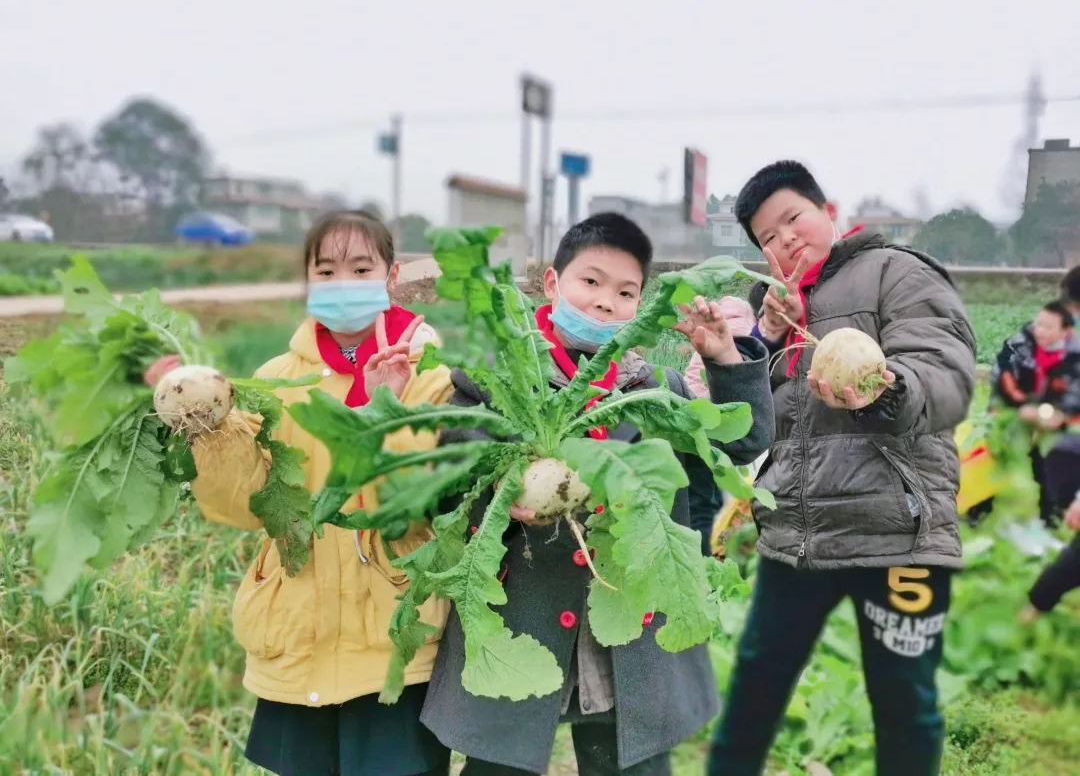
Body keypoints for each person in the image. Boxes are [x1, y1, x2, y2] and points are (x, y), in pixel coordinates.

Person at [419, 212, 775, 775]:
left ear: (640, 306)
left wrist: (724, 359)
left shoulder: (657, 391)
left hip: (628, 627)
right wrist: (506, 487)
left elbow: (745, 440)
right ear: (553, 284)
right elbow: (446, 483)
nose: (606, 302)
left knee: (628, 760)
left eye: (626, 292)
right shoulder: (492, 385)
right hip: (523, 615)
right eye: (591, 282)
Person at [144, 211, 454, 776]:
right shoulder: (277, 377)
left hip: (393, 636)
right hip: (297, 632)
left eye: (360, 269)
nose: (342, 284)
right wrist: (208, 423)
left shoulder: (432, 378)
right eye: (326, 271)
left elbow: (411, 505)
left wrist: (382, 411)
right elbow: (246, 506)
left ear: (391, 277)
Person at [707, 160, 977, 776]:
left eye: (793, 219)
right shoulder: (771, 310)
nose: (785, 240)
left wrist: (884, 390)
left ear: (827, 211)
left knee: (904, 703)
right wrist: (755, 348)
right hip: (798, 537)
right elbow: (750, 429)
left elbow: (946, 374)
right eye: (768, 237)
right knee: (755, 688)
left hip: (899, 536)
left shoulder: (896, 272)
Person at [990, 300, 1080, 526]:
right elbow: (1003, 375)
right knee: (991, 448)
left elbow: (1075, 393)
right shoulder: (1019, 344)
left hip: (1057, 414)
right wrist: (1020, 405)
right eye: (1039, 324)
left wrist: (1061, 413)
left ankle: (1052, 514)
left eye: (1048, 327)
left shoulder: (1075, 354)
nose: (1040, 331)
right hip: (1017, 406)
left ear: (1066, 331)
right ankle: (978, 508)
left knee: (1052, 457)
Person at [683, 296, 761, 553]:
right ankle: (708, 556)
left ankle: (705, 553)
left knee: (700, 497)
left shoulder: (720, 324)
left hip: (691, 415)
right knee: (707, 501)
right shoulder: (743, 330)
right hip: (715, 421)